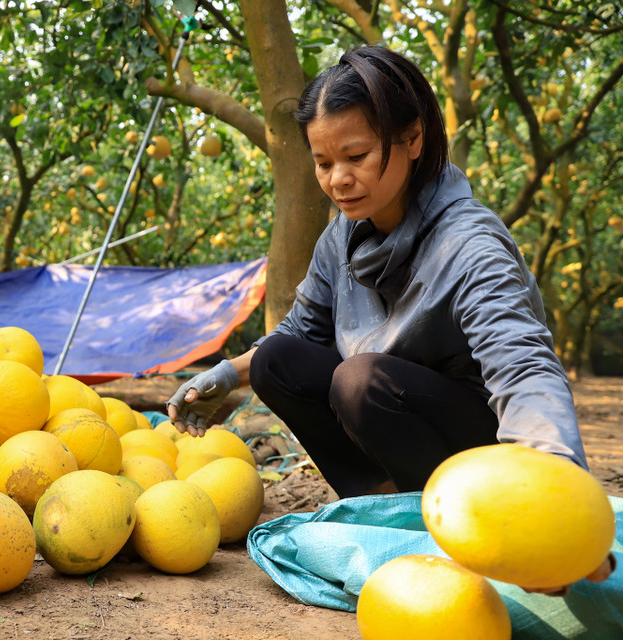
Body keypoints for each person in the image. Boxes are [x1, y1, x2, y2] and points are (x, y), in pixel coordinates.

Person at [166, 46, 612, 592]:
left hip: (486, 448)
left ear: (413, 140)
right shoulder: (342, 237)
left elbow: (522, 366)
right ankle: (385, 508)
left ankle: (476, 527)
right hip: (389, 416)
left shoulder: (470, 244)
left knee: (360, 380)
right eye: (324, 163)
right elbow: (297, 336)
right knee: (278, 361)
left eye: (356, 156)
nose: (337, 180)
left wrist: (555, 493)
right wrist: (228, 375)